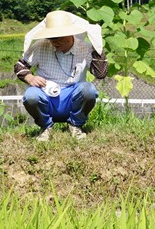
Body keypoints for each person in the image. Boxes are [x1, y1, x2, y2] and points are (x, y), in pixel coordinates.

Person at [14, 10, 108, 140]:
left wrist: (98, 47)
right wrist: (30, 78)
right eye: (51, 38)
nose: (54, 42)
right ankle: (45, 127)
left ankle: (75, 125)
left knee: (88, 90)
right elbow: (20, 65)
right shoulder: (40, 46)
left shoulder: (85, 48)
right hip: (47, 97)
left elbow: (100, 73)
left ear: (69, 34)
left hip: (72, 98)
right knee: (31, 95)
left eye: (58, 38)